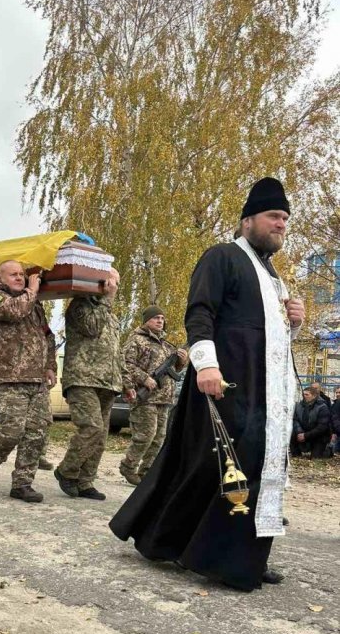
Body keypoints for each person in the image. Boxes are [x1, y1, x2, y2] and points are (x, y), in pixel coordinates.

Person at [110, 177, 305, 591]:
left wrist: (295, 321)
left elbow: (270, 338)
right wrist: (206, 366)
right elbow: (199, 313)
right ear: (247, 219)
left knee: (250, 469)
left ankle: (246, 555)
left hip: (263, 397)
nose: (281, 225)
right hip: (224, 385)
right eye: (274, 216)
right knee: (215, 469)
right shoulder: (221, 257)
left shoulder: (274, 279)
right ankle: (200, 551)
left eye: (285, 219)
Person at [0, 261, 56, 502]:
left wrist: (50, 365)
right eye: (14, 275)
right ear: (0, 277)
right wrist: (32, 288)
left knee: (37, 432)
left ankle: (22, 483)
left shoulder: (34, 303)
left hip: (36, 378)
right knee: (12, 430)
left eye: (22, 274)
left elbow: (47, 336)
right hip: (9, 377)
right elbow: (14, 311)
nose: (20, 278)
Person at [54, 268, 125, 500]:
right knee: (91, 428)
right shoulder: (79, 306)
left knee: (101, 437)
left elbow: (117, 352)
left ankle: (85, 482)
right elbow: (92, 328)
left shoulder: (111, 315)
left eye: (117, 281)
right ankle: (67, 470)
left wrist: (126, 381)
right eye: (111, 280)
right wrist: (108, 299)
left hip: (108, 382)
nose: (114, 284)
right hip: (82, 378)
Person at [119, 306, 188, 485]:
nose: (160, 321)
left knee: (159, 438)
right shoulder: (136, 340)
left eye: (162, 318)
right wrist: (144, 378)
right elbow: (125, 364)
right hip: (146, 398)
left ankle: (146, 471)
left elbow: (174, 371)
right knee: (145, 436)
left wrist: (181, 361)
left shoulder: (165, 345)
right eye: (156, 317)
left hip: (164, 399)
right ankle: (128, 467)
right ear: (146, 320)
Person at [291, 386, 331, 458]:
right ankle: (296, 454)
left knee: (316, 457)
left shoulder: (322, 407)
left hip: (317, 435)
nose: (304, 396)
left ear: (314, 396)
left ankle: (328, 450)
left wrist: (306, 435)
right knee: (292, 433)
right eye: (303, 394)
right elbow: (295, 420)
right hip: (303, 432)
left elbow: (322, 427)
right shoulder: (298, 406)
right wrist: (300, 432)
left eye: (307, 395)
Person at [331, 386, 340, 456]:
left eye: (339, 392)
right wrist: (333, 433)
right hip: (336, 434)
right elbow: (333, 420)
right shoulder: (334, 405)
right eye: (336, 392)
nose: (337, 394)